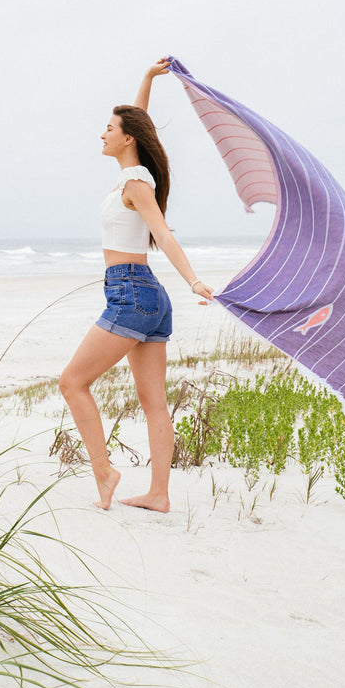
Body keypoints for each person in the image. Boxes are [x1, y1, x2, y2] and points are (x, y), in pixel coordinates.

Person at [59, 59, 214, 512]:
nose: (102, 134)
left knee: (72, 383)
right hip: (147, 296)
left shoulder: (135, 183)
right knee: (153, 402)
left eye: (109, 128)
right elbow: (139, 121)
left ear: (126, 139)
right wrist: (147, 79)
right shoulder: (135, 173)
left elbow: (162, 234)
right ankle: (158, 495)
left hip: (131, 293)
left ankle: (104, 474)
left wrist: (194, 281)